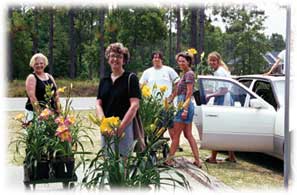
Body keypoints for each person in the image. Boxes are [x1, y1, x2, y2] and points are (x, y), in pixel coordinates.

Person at [96, 42, 141, 157]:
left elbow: (134, 105)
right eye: (112, 56)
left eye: (119, 57)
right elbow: (98, 103)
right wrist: (103, 124)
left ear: (124, 61)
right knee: (108, 161)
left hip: (124, 126)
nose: (115, 59)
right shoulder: (104, 81)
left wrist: (120, 129)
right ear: (108, 59)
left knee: (123, 164)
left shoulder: (131, 78)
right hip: (107, 128)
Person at [166, 51, 202, 168]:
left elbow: (189, 92)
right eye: (179, 61)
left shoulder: (189, 74)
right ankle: (197, 160)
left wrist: (185, 109)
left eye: (183, 61)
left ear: (189, 62)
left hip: (185, 105)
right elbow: (178, 91)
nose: (180, 63)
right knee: (188, 135)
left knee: (176, 135)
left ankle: (169, 160)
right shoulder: (185, 74)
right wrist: (171, 98)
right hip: (184, 104)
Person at [205, 51, 236, 163]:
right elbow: (220, 88)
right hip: (225, 99)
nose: (212, 62)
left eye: (214, 60)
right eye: (210, 60)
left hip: (224, 100)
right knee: (227, 128)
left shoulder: (219, 72)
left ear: (218, 61)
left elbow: (223, 90)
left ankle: (213, 157)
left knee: (217, 128)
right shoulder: (221, 70)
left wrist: (210, 96)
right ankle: (232, 156)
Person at [25, 53, 60, 122]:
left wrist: (58, 110)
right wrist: (41, 114)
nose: (39, 65)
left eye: (41, 63)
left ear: (45, 64)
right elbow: (32, 98)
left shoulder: (49, 76)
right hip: (35, 113)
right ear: (32, 65)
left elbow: (56, 94)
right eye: (36, 64)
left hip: (51, 113)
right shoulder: (31, 77)